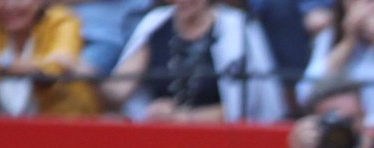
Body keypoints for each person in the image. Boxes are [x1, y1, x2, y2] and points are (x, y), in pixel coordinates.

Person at [103, 0, 283, 120]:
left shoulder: (237, 27)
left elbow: (247, 106)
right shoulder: (155, 24)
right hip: (162, 137)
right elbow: (118, 91)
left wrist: (184, 117)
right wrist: (83, 70)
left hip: (222, 141)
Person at [0, 0, 101, 114]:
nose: (9, 5)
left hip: (63, 126)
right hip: (0, 129)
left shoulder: (62, 21)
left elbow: (56, 68)